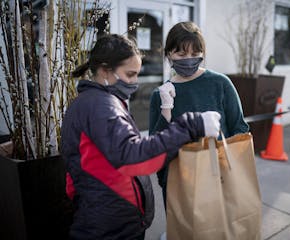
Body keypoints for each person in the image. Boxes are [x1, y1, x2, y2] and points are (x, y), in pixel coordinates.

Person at [60, 34, 221, 240]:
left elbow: (73, 177)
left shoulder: (91, 102)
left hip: (103, 216)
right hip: (111, 227)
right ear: (105, 70)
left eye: (137, 74)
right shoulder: (101, 106)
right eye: (129, 74)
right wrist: (191, 125)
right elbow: (135, 157)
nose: (135, 82)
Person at [149, 21, 249, 212]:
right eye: (181, 53)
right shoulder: (160, 94)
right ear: (169, 54)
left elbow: (240, 129)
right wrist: (166, 108)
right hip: (178, 179)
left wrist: (230, 166)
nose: (188, 59)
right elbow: (155, 148)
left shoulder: (220, 83)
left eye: (195, 54)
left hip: (219, 174)